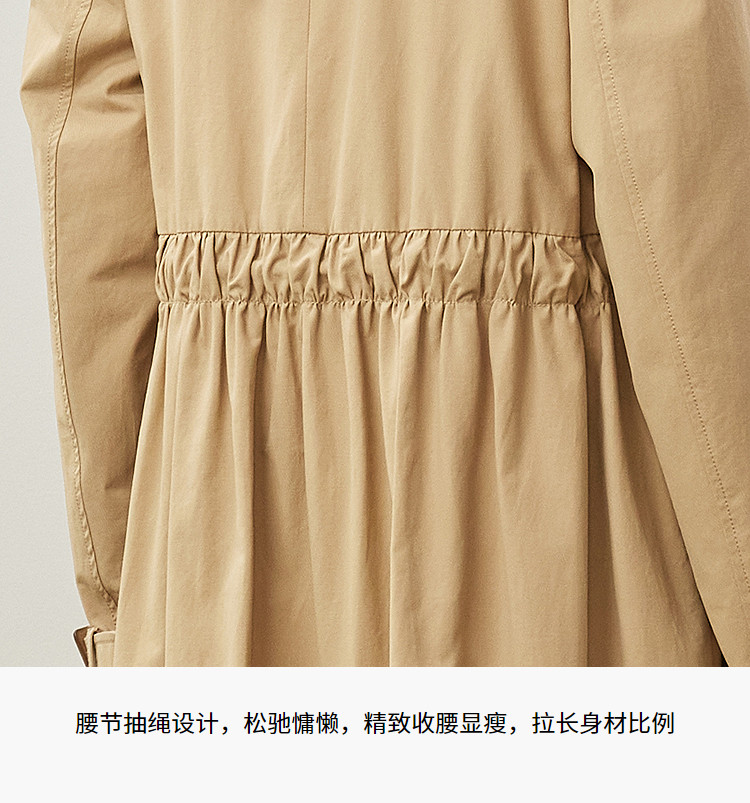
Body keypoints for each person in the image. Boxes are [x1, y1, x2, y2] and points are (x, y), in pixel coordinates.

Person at [20, 0, 750, 666]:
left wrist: (129, 605)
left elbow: (89, 187)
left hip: (220, 522)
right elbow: (682, 201)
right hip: (544, 499)